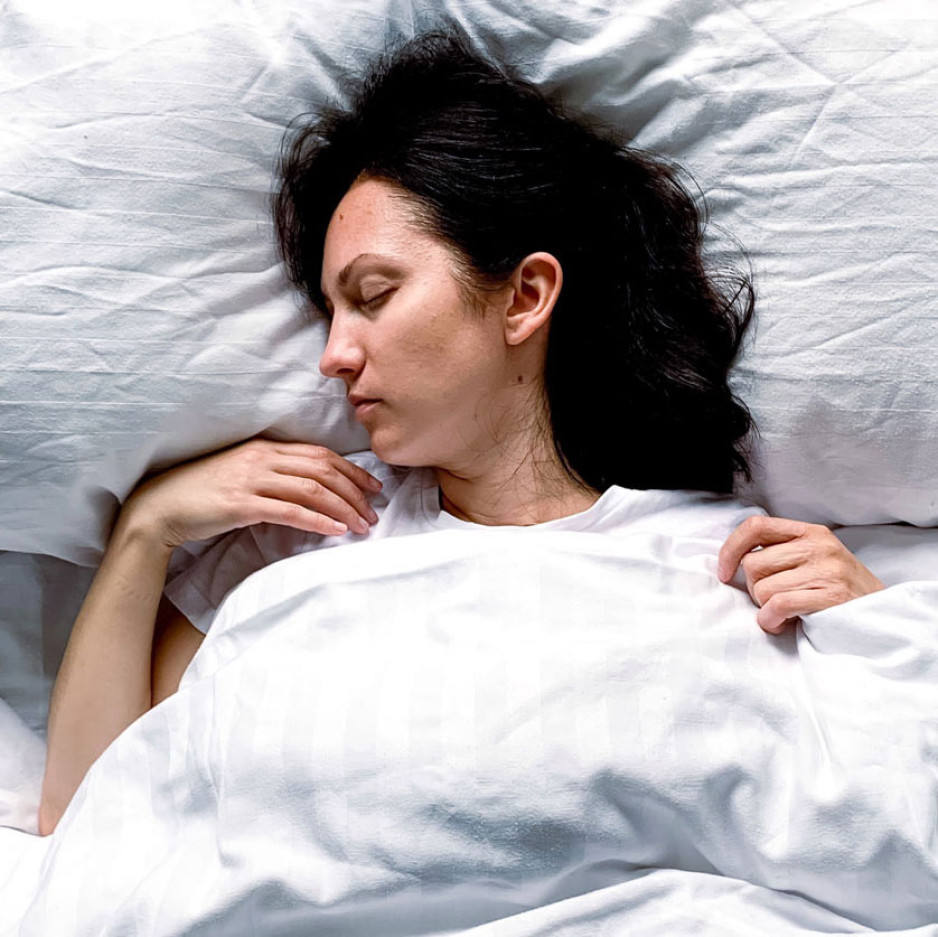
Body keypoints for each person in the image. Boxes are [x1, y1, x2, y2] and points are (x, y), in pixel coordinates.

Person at [37, 24, 885, 837]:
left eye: (372, 296)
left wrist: (873, 632)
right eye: (328, 312)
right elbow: (85, 824)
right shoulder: (303, 535)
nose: (334, 354)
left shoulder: (734, 562)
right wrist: (145, 531)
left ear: (524, 296)